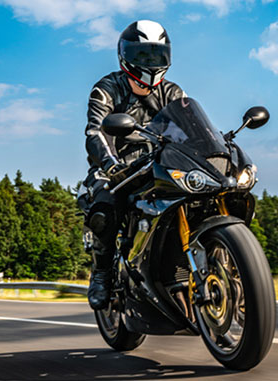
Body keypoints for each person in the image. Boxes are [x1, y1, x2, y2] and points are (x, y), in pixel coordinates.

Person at [82, 20, 187, 310]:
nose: (150, 63)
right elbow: (95, 132)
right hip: (117, 167)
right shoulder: (106, 89)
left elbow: (189, 129)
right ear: (125, 56)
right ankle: (101, 272)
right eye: (142, 55)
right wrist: (110, 165)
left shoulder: (173, 93)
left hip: (160, 163)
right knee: (104, 211)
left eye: (156, 55)